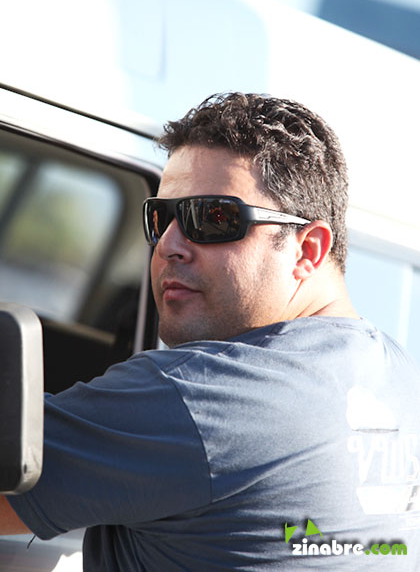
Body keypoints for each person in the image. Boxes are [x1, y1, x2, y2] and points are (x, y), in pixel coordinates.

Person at [1, 92, 420, 570]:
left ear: (308, 250)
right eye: (160, 218)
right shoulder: (402, 384)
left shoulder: (197, 397)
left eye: (213, 218)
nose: (168, 245)